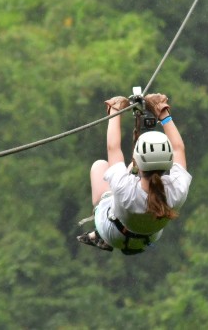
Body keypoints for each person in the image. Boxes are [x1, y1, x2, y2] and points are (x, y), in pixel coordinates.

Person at [77, 93, 192, 254]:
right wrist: (162, 112)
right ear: (169, 161)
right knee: (123, 175)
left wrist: (115, 110)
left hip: (113, 234)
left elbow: (113, 148)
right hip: (148, 238)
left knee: (100, 166)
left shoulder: (125, 189)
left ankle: (99, 233)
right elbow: (179, 148)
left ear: (138, 160)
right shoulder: (177, 189)